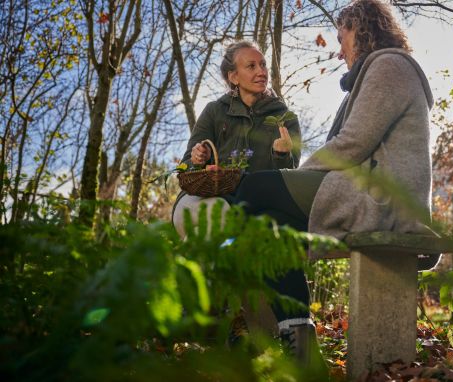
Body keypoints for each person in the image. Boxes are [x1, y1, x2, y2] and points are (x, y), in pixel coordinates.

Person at [232, 0, 434, 365]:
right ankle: (301, 348)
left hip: (379, 198)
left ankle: (215, 304)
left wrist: (300, 174)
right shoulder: (375, 72)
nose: (339, 50)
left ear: (364, 29)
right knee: (269, 230)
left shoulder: (390, 66)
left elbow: (353, 143)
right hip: (365, 190)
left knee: (249, 189)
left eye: (343, 38)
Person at [172, 41, 301, 238]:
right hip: (203, 198)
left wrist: (282, 155)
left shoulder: (284, 118)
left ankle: (197, 267)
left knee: (216, 226)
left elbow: (288, 182)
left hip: (254, 205)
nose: (262, 72)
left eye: (263, 64)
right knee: (214, 213)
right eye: (251, 66)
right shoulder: (214, 111)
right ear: (233, 77)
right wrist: (198, 160)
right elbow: (185, 167)